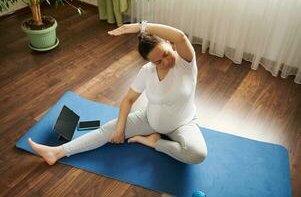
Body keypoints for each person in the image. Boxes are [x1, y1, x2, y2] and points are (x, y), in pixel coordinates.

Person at [28, 22, 208, 165]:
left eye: (167, 54)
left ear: (169, 43)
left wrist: (140, 27)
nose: (166, 61)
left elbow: (181, 37)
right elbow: (128, 100)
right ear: (150, 62)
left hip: (181, 124)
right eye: (158, 61)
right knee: (108, 129)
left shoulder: (186, 63)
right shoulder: (147, 71)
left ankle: (153, 142)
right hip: (149, 119)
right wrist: (120, 128)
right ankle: (56, 152)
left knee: (197, 154)